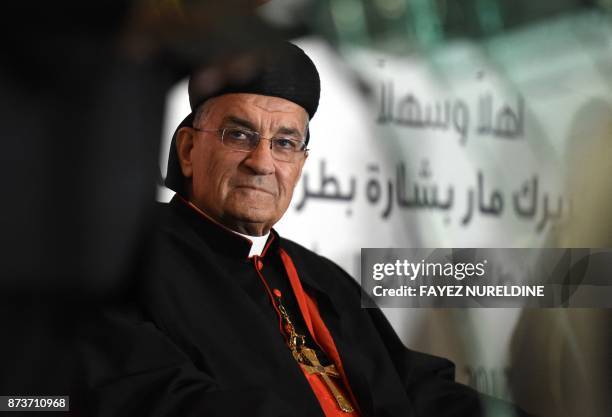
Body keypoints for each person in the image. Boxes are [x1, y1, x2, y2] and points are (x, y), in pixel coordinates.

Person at [81, 41, 524, 417]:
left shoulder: (321, 278)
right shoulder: (126, 256)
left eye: (286, 144)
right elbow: (155, 397)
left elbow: (414, 386)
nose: (262, 162)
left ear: (301, 164)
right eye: (239, 135)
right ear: (188, 149)